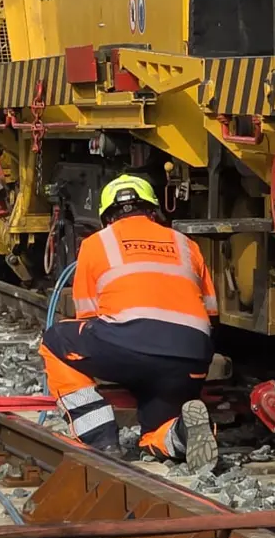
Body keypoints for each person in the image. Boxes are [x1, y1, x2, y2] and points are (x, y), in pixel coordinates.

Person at [38, 174, 220, 468]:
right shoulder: (187, 245)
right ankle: (183, 433)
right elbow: (212, 315)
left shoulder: (97, 242)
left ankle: (100, 438)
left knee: (55, 340)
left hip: (126, 344)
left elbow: (87, 313)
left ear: (107, 215)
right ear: (153, 209)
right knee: (154, 432)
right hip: (189, 357)